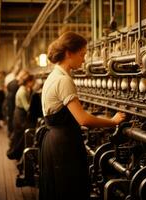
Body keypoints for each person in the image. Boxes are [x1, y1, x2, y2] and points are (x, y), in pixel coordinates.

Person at [40, 31, 126, 200]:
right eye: (82, 54)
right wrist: (113, 121)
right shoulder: (64, 81)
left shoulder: (54, 76)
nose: (84, 59)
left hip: (54, 141)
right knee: (69, 191)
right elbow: (83, 119)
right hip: (63, 145)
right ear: (69, 53)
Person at [7, 74, 35, 160]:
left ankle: (19, 155)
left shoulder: (24, 89)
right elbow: (26, 107)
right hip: (20, 116)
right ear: (29, 82)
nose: (34, 83)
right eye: (33, 81)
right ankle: (18, 155)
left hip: (20, 114)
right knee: (20, 137)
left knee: (19, 136)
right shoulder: (22, 91)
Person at [6, 69, 29, 136]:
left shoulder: (13, 82)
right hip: (13, 105)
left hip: (12, 105)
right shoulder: (16, 84)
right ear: (23, 75)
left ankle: (11, 134)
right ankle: (11, 134)